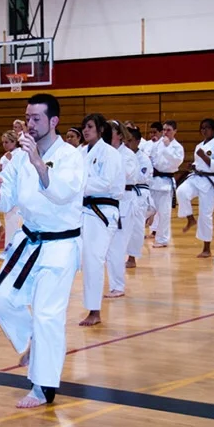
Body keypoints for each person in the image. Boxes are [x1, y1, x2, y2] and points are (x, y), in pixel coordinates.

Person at [0, 93, 84, 408]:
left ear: (53, 121)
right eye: (27, 117)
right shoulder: (17, 158)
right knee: (1, 300)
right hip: (27, 242)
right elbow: (8, 201)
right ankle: (33, 342)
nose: (29, 124)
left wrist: (40, 165)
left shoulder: (71, 156)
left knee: (47, 315)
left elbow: (64, 193)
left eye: (36, 118)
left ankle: (42, 387)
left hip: (60, 244)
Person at [78, 113, 123, 327]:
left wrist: (79, 185)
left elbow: (106, 183)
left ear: (100, 129)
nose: (85, 130)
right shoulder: (80, 152)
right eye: (84, 127)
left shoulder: (110, 154)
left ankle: (94, 311)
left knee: (94, 259)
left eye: (90, 126)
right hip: (83, 210)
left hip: (103, 211)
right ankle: (90, 306)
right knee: (83, 259)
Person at [176, 118, 214, 258]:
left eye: (207, 128)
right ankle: (190, 218)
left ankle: (207, 248)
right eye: (202, 128)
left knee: (205, 215)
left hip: (210, 181)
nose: (204, 130)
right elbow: (199, 163)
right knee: (181, 191)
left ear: (213, 129)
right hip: (197, 178)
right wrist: (193, 166)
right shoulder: (199, 145)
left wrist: (205, 157)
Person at [105, 120, 137, 296]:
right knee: (109, 247)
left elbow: (122, 175)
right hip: (108, 204)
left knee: (116, 247)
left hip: (124, 201)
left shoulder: (127, 155)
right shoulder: (107, 153)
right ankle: (114, 283)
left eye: (110, 132)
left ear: (119, 134)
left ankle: (118, 286)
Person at [149, 120, 183, 248]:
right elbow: (151, 157)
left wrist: (168, 147)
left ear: (175, 131)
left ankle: (162, 239)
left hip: (165, 183)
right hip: (153, 181)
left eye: (168, 130)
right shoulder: (157, 144)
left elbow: (176, 162)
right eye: (164, 130)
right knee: (147, 209)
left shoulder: (177, 147)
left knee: (164, 213)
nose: (165, 132)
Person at [124, 127, 153, 268]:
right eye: (125, 140)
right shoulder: (123, 155)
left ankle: (132, 257)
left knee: (136, 226)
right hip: (125, 193)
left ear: (138, 141)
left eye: (130, 141)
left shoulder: (144, 159)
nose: (127, 143)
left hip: (139, 193)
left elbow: (140, 177)